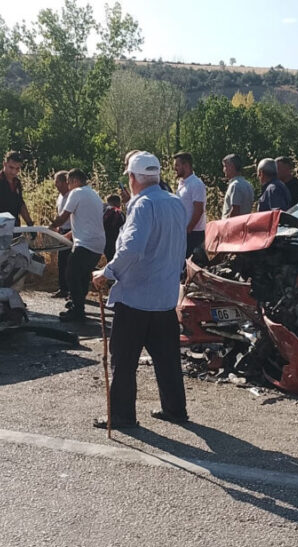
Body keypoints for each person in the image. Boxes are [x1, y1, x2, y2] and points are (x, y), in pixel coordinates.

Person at [91, 152, 189, 429]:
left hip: (137, 297)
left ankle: (121, 415)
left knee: (123, 360)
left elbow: (131, 247)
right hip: (165, 296)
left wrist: (107, 272)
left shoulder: (142, 205)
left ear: (133, 178)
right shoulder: (175, 203)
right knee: (167, 359)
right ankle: (175, 409)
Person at [51, 169, 105, 322]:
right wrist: (64, 237)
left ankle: (78, 311)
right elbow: (85, 224)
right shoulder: (93, 194)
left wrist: (50, 228)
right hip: (97, 244)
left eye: (68, 183)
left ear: (74, 181)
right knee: (81, 275)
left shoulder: (77, 193)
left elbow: (63, 218)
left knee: (71, 273)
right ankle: (77, 303)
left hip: (86, 244)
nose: (67, 187)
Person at [0, 151, 34, 227]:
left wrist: (29, 223)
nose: (13, 172)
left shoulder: (17, 182)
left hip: (15, 226)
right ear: (4, 164)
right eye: (11, 167)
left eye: (17, 168)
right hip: (0, 226)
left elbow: (21, 204)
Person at [173, 151, 207, 257]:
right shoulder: (182, 183)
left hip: (194, 233)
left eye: (177, 165)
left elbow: (199, 210)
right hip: (184, 232)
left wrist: (189, 229)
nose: (175, 168)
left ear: (186, 165)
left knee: (190, 263)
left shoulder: (196, 184)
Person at [50, 170, 71, 298]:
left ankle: (71, 290)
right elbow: (60, 214)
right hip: (62, 230)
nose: (55, 184)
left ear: (64, 182)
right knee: (61, 261)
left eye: (57, 181)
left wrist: (52, 226)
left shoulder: (71, 196)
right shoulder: (60, 196)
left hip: (71, 231)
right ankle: (63, 288)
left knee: (70, 262)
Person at [221, 153, 254, 219]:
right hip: (244, 224)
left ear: (231, 166)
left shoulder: (235, 185)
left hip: (233, 226)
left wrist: (226, 225)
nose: (224, 170)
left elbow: (235, 211)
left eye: (225, 166)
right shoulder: (248, 185)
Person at [102, 193, 123, 261]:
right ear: (119, 203)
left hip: (105, 240)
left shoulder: (105, 211)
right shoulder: (120, 213)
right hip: (117, 242)